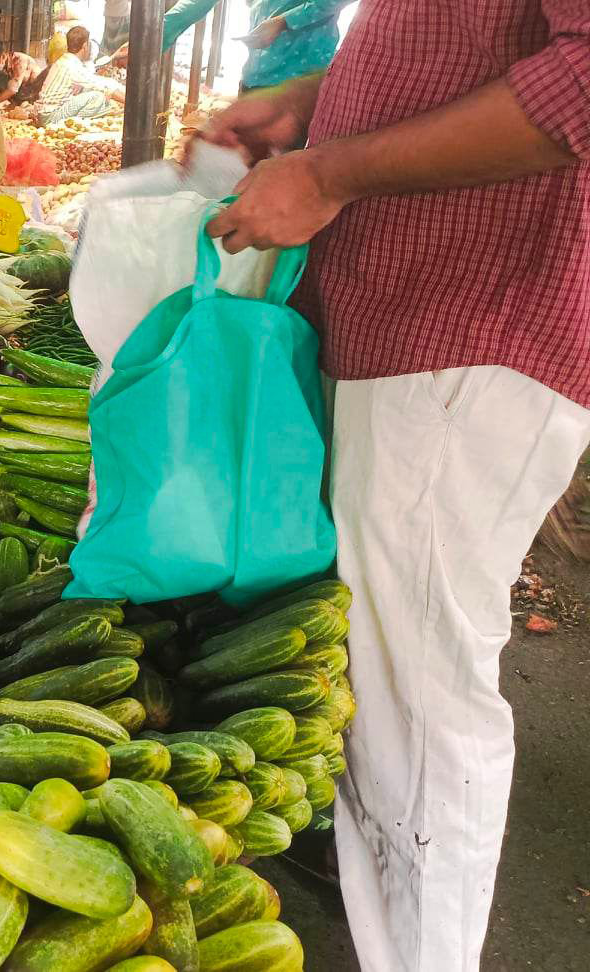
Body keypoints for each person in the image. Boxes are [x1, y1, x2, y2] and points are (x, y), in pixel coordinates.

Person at [196, 2, 589, 968]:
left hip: (469, 325)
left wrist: (330, 171)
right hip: (419, 324)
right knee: (386, 682)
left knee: (419, 701)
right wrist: (311, 105)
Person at [161, 0, 353, 92]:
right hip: (257, 70)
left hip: (299, 75)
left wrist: (284, 21)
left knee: (279, 161)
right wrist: (157, 35)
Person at [34, 26, 124, 127]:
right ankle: (73, 123)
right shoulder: (72, 65)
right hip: (51, 116)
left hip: (44, 112)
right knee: (97, 97)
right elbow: (104, 86)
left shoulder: (64, 60)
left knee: (94, 96)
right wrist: (129, 102)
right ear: (85, 46)